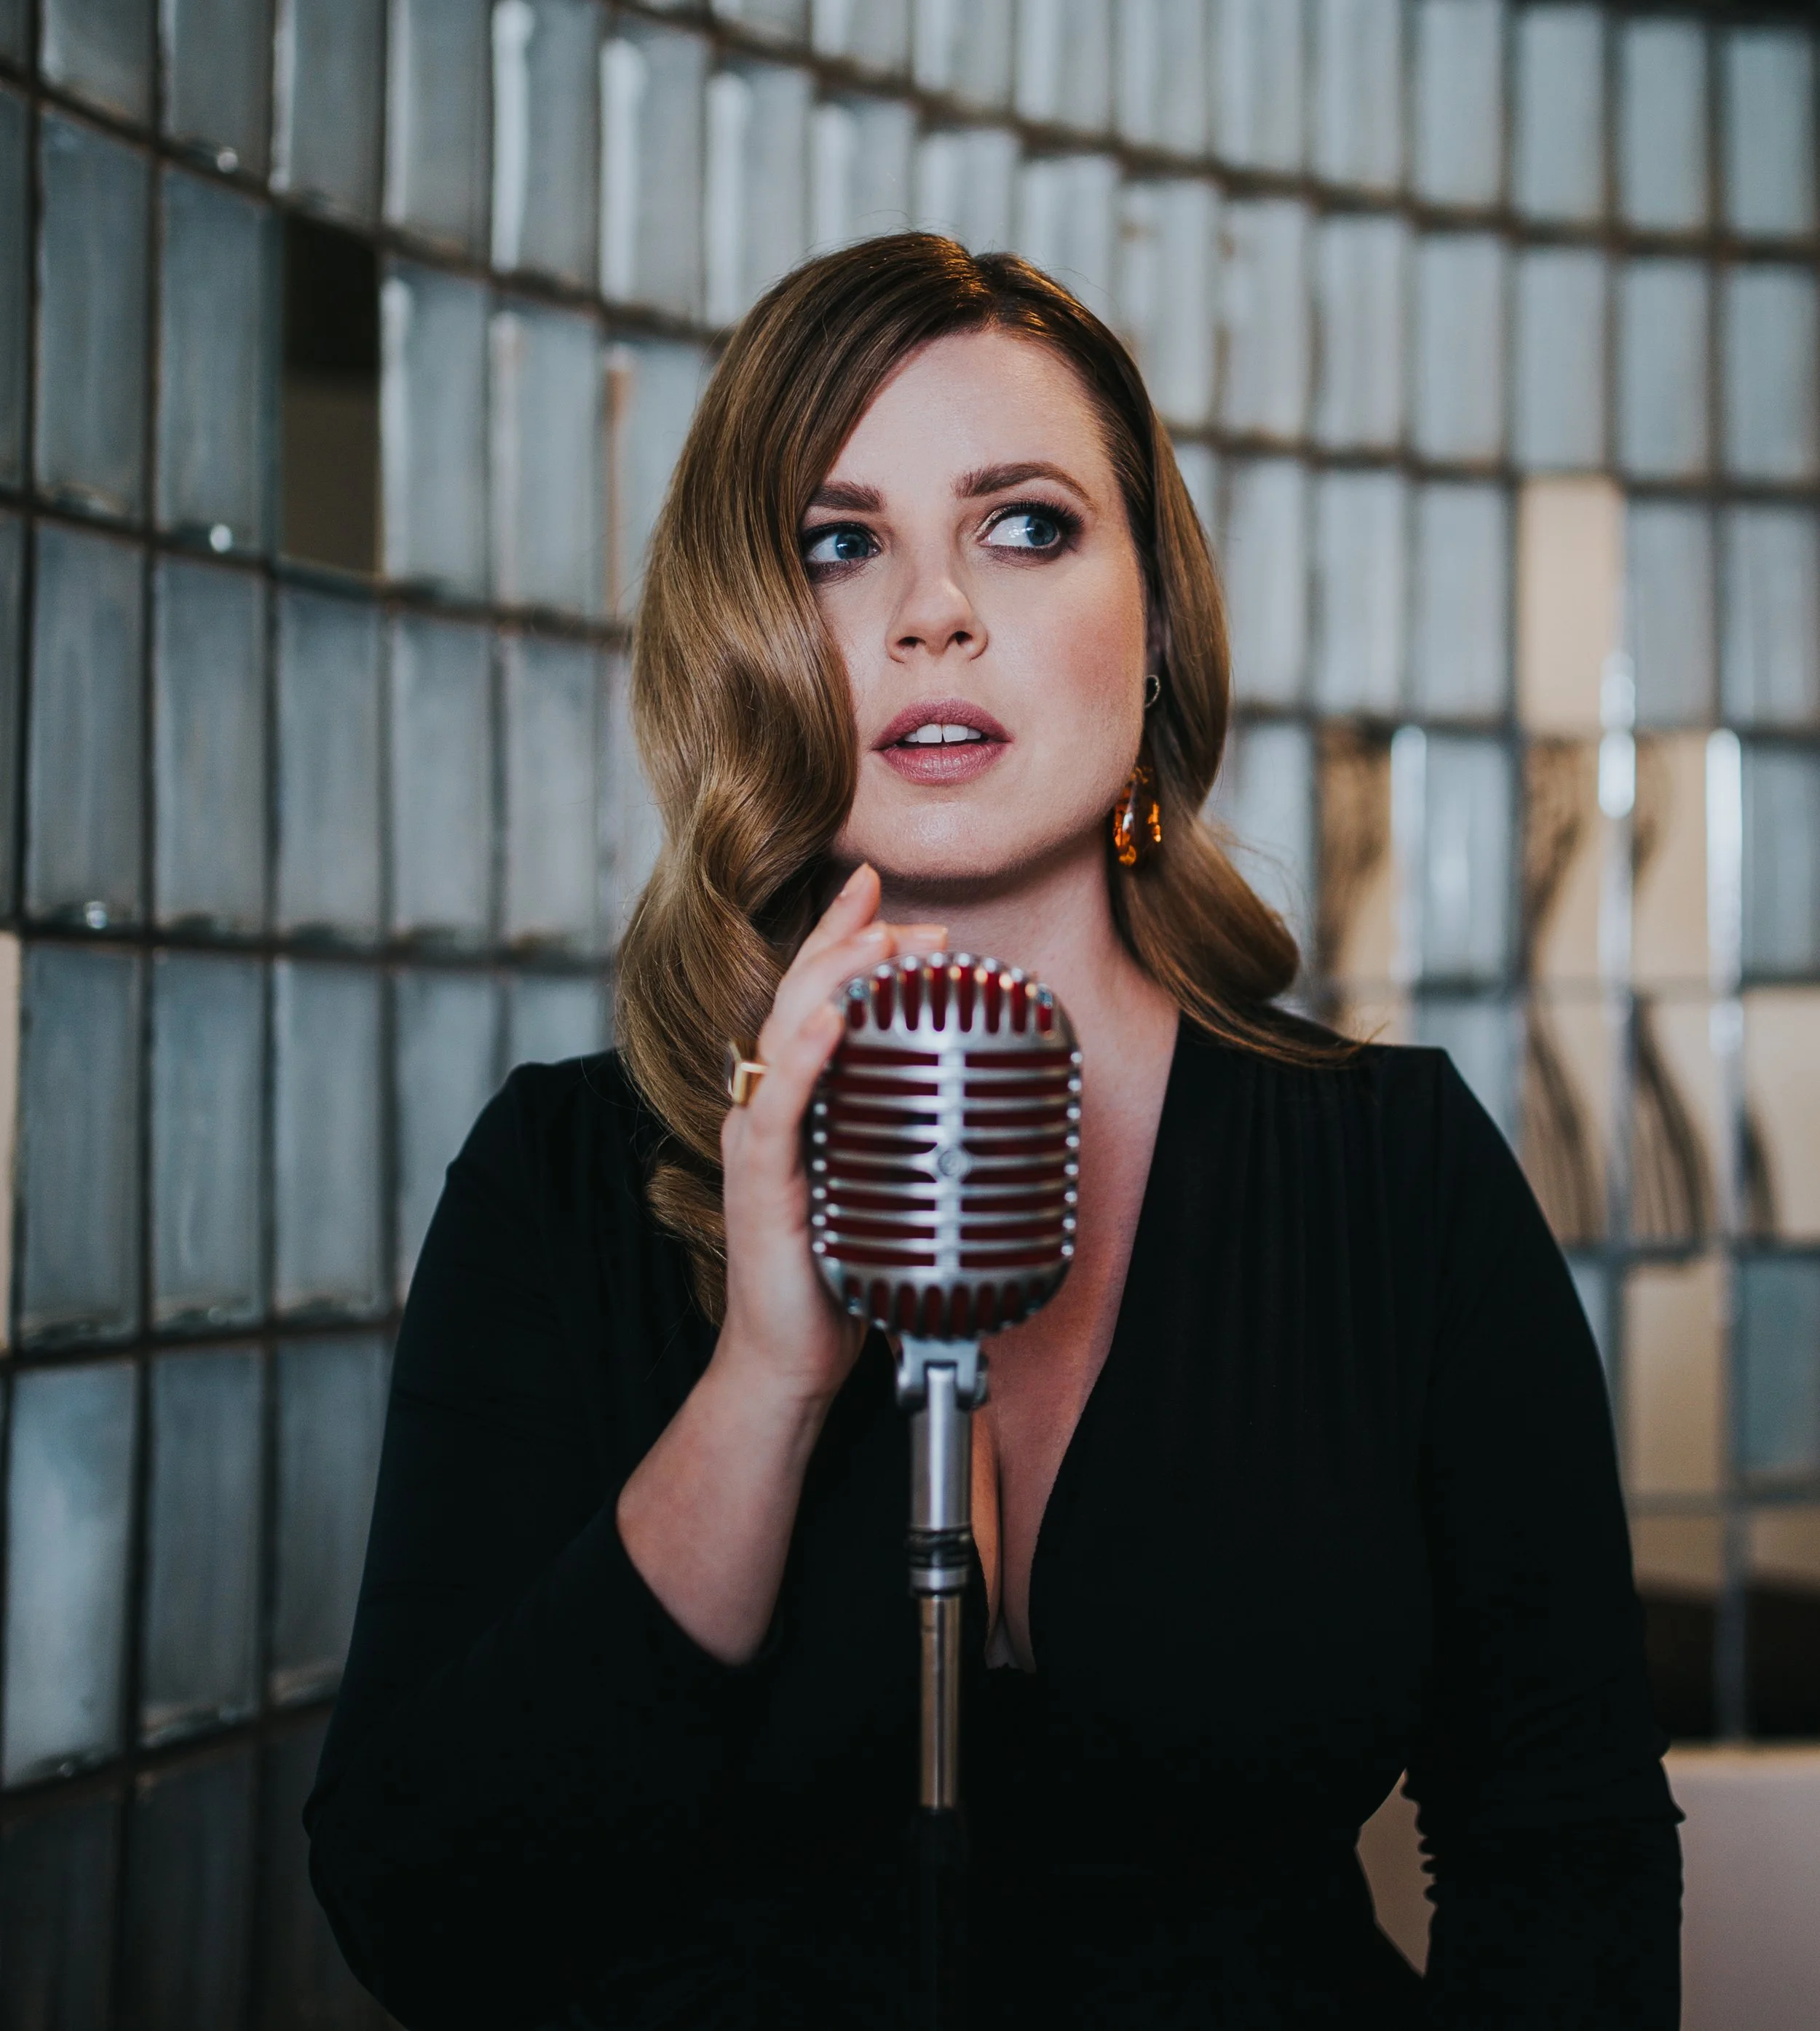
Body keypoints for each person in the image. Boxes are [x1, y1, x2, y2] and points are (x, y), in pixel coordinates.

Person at [307, 235, 1680, 2029]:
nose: (931, 611)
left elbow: (1559, 1853)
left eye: (1022, 525)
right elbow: (426, 1914)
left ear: (1159, 619)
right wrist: (761, 1388)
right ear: (751, 629)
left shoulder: (1390, 1176)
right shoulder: (562, 1184)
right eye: (837, 538)